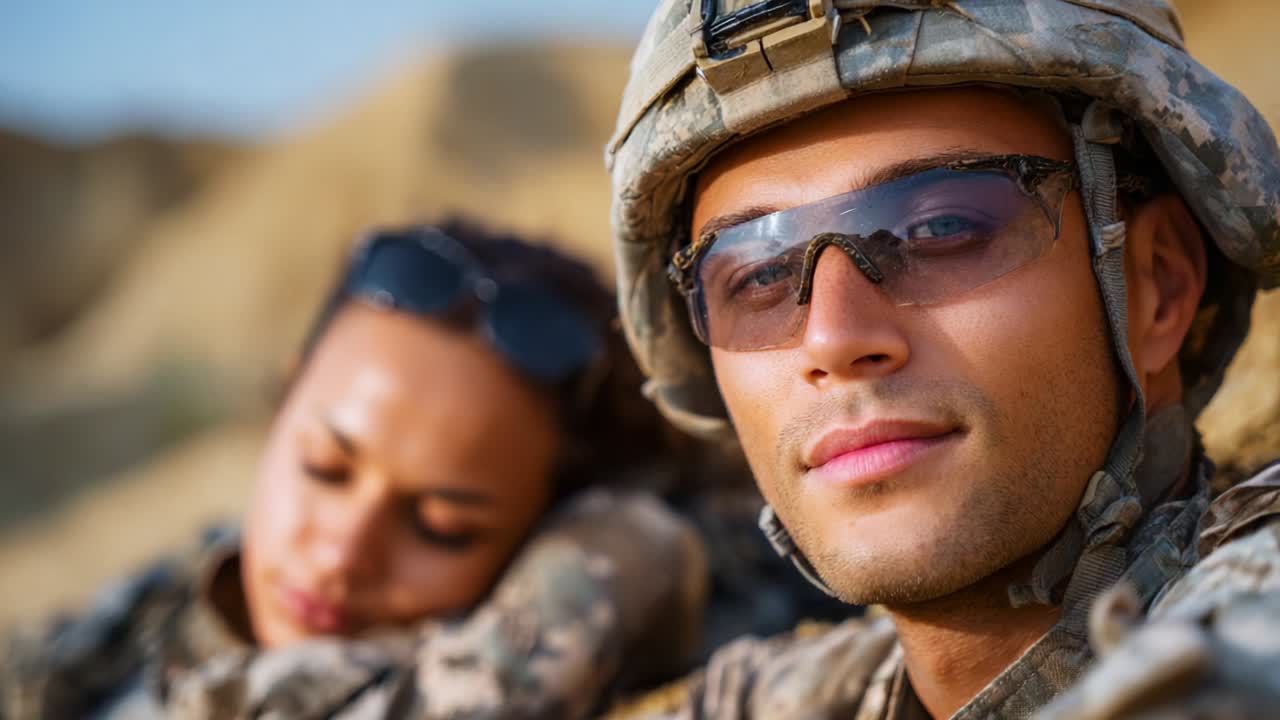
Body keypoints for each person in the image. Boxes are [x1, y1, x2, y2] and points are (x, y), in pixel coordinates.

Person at [603, 1, 1280, 718]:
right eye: (758, 276)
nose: (832, 339)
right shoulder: (806, 696)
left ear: (1159, 284)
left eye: (940, 228)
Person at [0, 221, 707, 719]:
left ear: (547, 532)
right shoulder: (120, 634)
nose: (342, 552)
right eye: (325, 468)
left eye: (442, 526)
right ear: (280, 407)